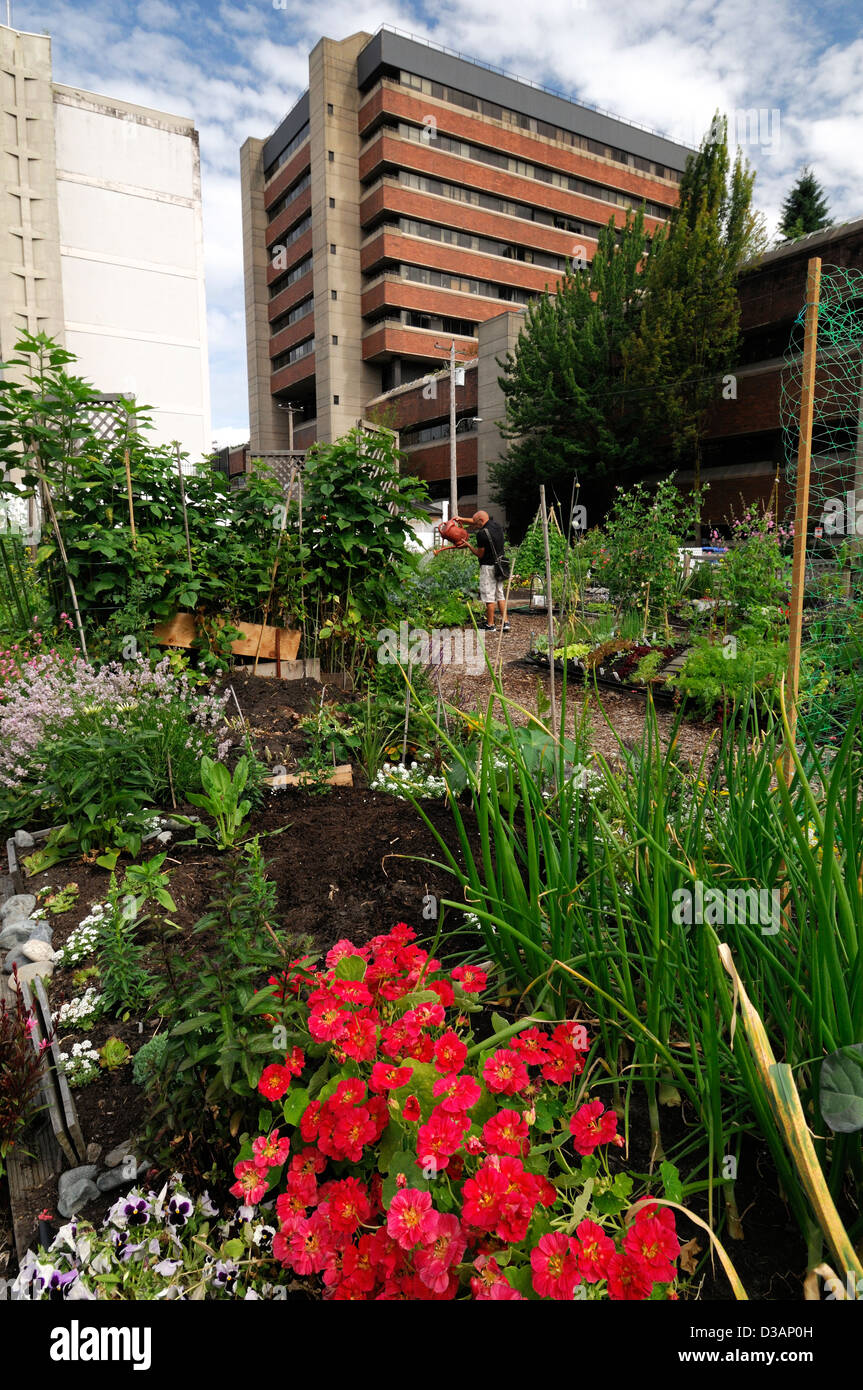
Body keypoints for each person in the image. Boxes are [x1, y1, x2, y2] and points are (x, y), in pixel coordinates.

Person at [454, 509, 510, 634]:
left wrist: (468, 545)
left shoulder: (482, 534)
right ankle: (506, 622)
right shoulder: (496, 525)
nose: (474, 525)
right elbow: (478, 520)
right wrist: (462, 519)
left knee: (489, 597)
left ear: (480, 521)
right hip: (500, 566)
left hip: (488, 567)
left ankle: (490, 625)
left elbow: (479, 554)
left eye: (475, 522)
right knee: (500, 594)